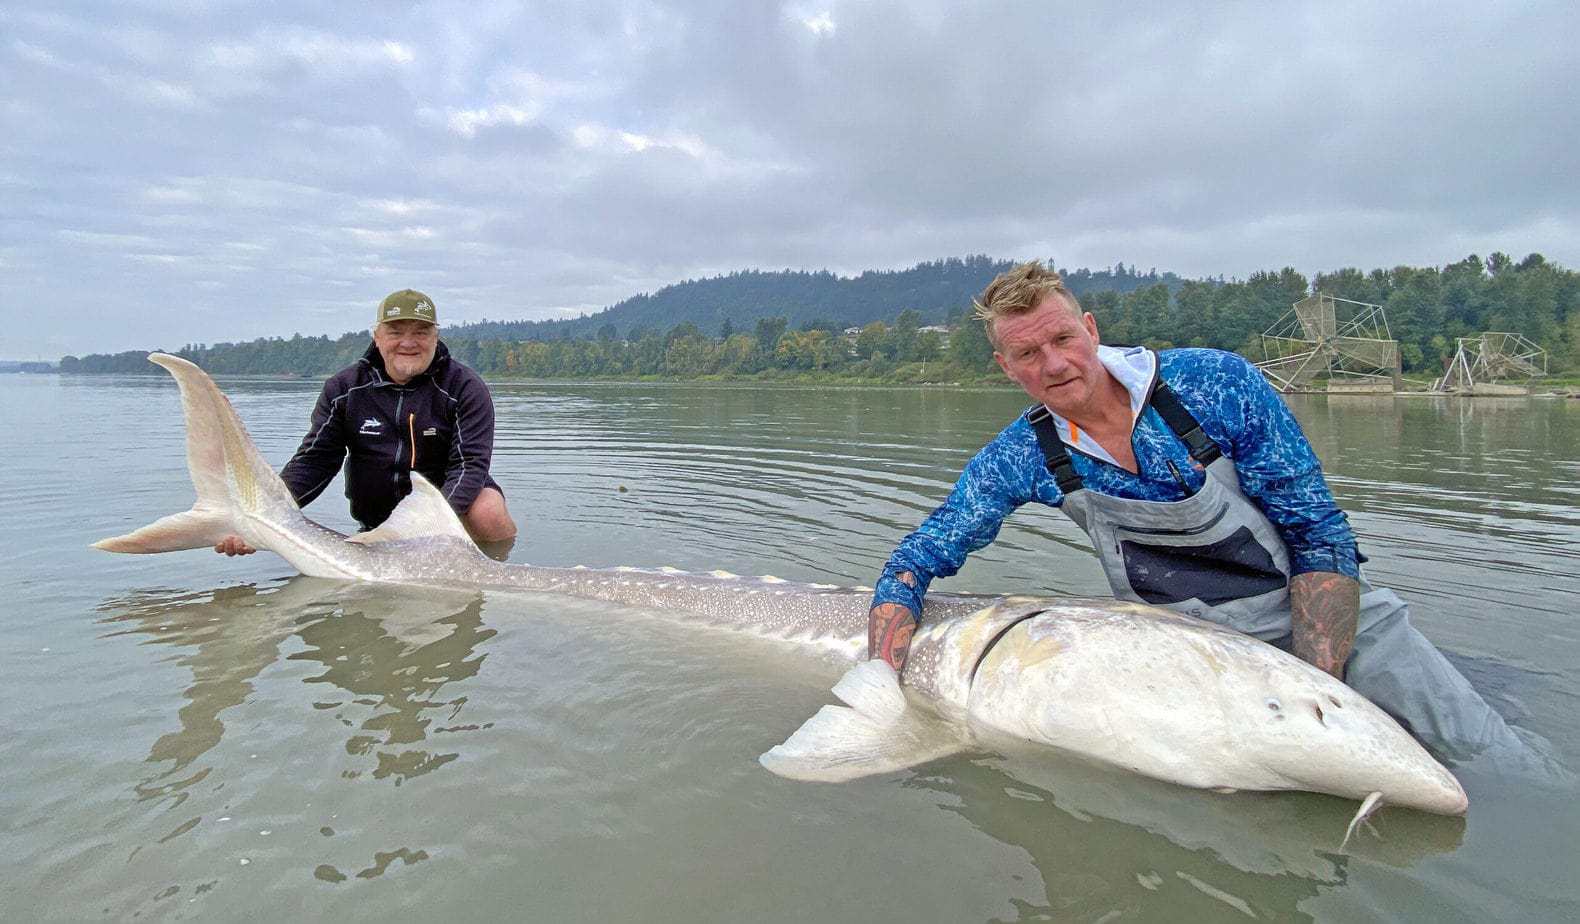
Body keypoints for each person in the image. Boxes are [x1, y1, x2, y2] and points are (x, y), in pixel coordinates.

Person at [867, 260, 1528, 764]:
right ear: (1005, 367)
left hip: (1331, 630)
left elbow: (1315, 530)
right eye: (1028, 354)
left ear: (1090, 330)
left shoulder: (1213, 383)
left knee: (1500, 762)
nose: (1055, 363)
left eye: (1064, 338)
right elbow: (922, 555)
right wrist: (882, 659)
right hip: (1187, 655)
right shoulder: (1021, 455)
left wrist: (1311, 692)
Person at [216, 288, 516, 554]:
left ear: (436, 337)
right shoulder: (345, 389)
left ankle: (489, 568)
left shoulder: (464, 388)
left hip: (446, 516)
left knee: (488, 509)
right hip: (376, 520)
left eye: (421, 332)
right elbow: (315, 462)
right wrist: (260, 517)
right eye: (396, 331)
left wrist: (425, 526)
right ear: (377, 336)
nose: (408, 342)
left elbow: (469, 466)